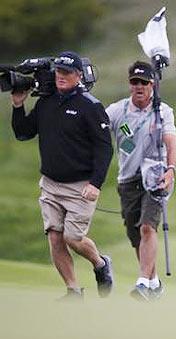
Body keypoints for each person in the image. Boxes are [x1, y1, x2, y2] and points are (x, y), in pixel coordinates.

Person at [10, 50, 114, 300]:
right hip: (50, 184)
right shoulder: (46, 101)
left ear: (78, 75)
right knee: (55, 237)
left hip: (81, 186)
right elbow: (24, 133)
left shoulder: (90, 106)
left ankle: (100, 264)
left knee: (73, 238)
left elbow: (104, 148)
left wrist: (96, 183)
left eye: (66, 72)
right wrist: (17, 105)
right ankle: (73, 290)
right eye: (58, 71)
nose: (61, 76)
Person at [106, 61, 176, 301]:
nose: (139, 87)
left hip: (155, 176)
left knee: (148, 226)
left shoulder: (163, 111)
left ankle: (142, 284)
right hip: (127, 179)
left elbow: (171, 141)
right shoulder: (118, 111)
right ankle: (154, 283)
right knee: (135, 235)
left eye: (144, 83)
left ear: (153, 85)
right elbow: (96, 131)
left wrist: (170, 169)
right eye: (134, 82)